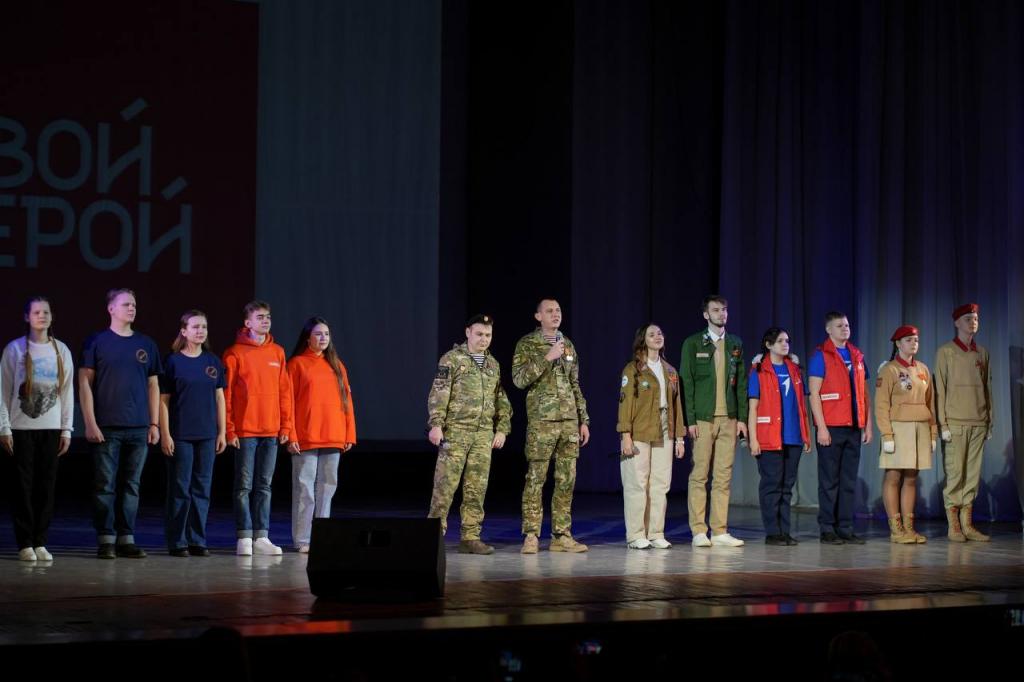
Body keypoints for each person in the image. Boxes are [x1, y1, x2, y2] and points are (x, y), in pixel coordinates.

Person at [79, 288, 162, 559]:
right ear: (111, 309)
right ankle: (106, 539)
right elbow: (84, 383)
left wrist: (154, 424)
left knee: (131, 485)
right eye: (126, 304)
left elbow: (153, 385)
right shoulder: (97, 341)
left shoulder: (146, 344)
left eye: (134, 304)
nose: (132, 308)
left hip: (138, 427)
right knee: (105, 485)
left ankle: (126, 538)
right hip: (107, 427)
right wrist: (90, 422)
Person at [427, 314, 511, 554]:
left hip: (483, 435)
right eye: (479, 334)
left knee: (476, 489)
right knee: (445, 487)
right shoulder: (452, 359)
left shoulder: (493, 364)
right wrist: (436, 424)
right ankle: (432, 538)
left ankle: (470, 537)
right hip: (456, 432)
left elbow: (501, 399)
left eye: (488, 335)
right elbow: (439, 392)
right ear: (468, 333)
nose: (484, 339)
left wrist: (502, 428)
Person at [512, 299, 590, 553]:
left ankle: (561, 535)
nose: (555, 314)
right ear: (538, 316)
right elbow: (519, 380)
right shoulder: (527, 344)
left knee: (566, 480)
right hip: (542, 422)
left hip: (568, 422)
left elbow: (574, 384)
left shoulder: (568, 345)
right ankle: (531, 535)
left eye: (558, 310)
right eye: (549, 311)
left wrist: (583, 420)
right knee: (536, 479)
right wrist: (547, 357)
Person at [0, 297, 74, 561]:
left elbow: (67, 392)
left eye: (46, 312)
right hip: (21, 428)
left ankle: (40, 541)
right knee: (23, 487)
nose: (42, 316)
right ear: (27, 317)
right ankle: (25, 543)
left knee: (46, 487)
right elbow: (3, 390)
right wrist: (4, 427)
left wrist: (66, 429)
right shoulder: (15, 349)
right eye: (36, 312)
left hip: (51, 428)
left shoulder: (61, 350)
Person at [223, 300, 293, 556]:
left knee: (264, 485)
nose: (265, 321)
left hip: (271, 430)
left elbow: (284, 392)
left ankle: (261, 536)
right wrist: (229, 429)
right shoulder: (234, 353)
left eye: (268, 317)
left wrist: (285, 425)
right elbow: (227, 395)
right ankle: (244, 536)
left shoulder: (277, 352)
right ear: (247, 322)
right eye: (260, 317)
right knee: (244, 485)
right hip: (245, 431)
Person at [679, 294, 747, 547]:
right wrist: (690, 419)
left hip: (729, 418)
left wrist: (742, 418)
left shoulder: (735, 343)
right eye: (716, 310)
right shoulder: (693, 343)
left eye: (724, 310)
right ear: (706, 314)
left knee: (723, 476)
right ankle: (699, 530)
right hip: (703, 420)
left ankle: (719, 531)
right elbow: (687, 383)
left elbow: (741, 384)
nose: (722, 314)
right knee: (699, 474)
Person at [159, 310, 227, 557]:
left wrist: (222, 432)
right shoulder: (173, 362)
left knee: (202, 488)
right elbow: (163, 401)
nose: (201, 331)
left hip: (207, 435)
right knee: (180, 489)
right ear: (184, 331)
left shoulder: (213, 362)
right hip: (181, 434)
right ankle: (177, 541)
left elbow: (220, 398)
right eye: (195, 327)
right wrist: (165, 433)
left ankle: (197, 539)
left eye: (204, 327)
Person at [287, 317, 356, 553]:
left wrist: (349, 433)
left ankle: (322, 535)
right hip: (306, 436)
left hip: (333, 434)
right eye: (318, 334)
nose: (323, 338)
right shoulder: (296, 364)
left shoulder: (337, 365)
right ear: (307, 338)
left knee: (327, 487)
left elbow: (347, 401)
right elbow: (288, 402)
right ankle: (303, 539)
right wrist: (291, 434)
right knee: (305, 489)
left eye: (326, 334)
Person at [616, 324, 686, 549]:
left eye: (660, 333)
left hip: (665, 428)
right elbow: (625, 403)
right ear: (643, 340)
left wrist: (680, 437)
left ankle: (656, 532)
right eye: (652, 334)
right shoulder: (633, 369)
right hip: (639, 429)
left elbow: (677, 405)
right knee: (637, 483)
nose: (658, 337)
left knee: (660, 483)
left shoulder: (670, 371)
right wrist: (625, 434)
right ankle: (636, 534)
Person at [807, 311, 873, 545]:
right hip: (831, 427)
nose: (845, 328)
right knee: (829, 481)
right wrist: (821, 427)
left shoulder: (857, 355)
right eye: (839, 326)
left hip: (853, 426)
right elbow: (814, 394)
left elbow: (864, 394)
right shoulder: (821, 356)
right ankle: (827, 528)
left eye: (846, 325)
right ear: (829, 330)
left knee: (848, 481)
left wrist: (867, 425)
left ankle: (845, 527)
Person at [934, 303, 993, 542]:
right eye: (968, 318)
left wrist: (989, 421)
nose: (973, 322)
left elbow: (987, 388)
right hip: (955, 422)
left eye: (976, 318)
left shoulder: (982, 353)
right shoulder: (946, 352)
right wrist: (943, 424)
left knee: (972, 474)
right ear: (957, 322)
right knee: (956, 472)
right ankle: (954, 525)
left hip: (978, 421)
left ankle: (967, 524)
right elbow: (940, 390)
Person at [747, 327, 811, 546]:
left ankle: (785, 531)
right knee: (772, 485)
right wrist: (753, 439)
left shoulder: (795, 370)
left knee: (787, 486)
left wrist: (805, 435)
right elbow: (753, 408)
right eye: (780, 341)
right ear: (768, 345)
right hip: (769, 437)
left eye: (787, 341)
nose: (785, 344)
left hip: (793, 437)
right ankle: (773, 532)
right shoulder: (759, 370)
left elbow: (802, 406)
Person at [874, 325, 937, 544]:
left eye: (916, 340)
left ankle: (909, 528)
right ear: (898, 344)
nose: (913, 343)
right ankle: (896, 529)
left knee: (911, 477)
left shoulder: (923, 369)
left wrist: (933, 433)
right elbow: (881, 405)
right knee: (893, 476)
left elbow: (931, 403)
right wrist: (887, 435)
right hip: (898, 428)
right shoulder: (889, 370)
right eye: (909, 340)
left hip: (920, 427)